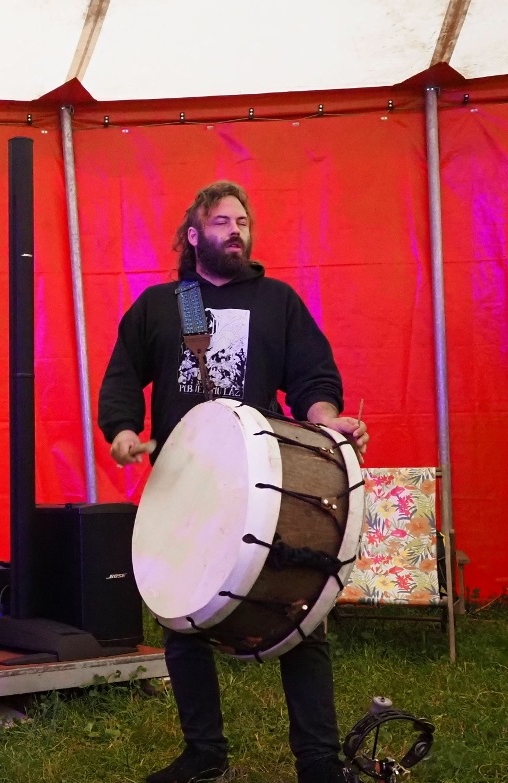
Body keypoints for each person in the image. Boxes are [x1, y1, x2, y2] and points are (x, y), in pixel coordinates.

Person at [98, 181, 368, 783]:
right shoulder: (166, 305)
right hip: (185, 483)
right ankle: (204, 753)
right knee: (182, 617)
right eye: (221, 222)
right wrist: (121, 430)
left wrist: (328, 420)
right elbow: (121, 378)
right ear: (194, 236)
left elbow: (312, 379)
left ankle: (319, 762)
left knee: (302, 609)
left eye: (242, 220)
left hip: (266, 481)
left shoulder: (277, 301)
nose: (236, 230)